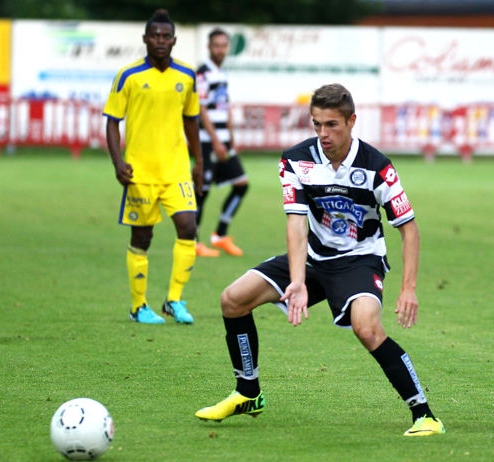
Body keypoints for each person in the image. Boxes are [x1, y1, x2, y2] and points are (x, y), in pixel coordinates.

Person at [195, 84, 445, 436]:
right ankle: (248, 392)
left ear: (351, 121)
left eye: (332, 125)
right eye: (317, 125)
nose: (323, 134)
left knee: (367, 328)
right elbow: (296, 224)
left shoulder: (377, 167)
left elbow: (409, 230)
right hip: (312, 258)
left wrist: (409, 288)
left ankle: (425, 414)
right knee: (233, 300)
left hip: (360, 261)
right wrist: (297, 281)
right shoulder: (296, 159)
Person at [103, 9, 203, 325]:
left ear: (173, 41)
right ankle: (138, 307)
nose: (160, 41)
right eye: (155, 36)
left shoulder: (187, 76)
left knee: (189, 227)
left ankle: (174, 300)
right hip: (141, 172)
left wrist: (199, 161)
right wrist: (118, 162)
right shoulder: (128, 76)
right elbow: (112, 122)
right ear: (145, 39)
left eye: (166, 36)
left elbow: (191, 120)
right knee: (142, 238)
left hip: (176, 170)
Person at [194, 28, 248, 258]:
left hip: (224, 141)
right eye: (216, 45)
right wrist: (216, 140)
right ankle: (193, 242)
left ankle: (220, 235)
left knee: (241, 184)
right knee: (200, 192)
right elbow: (201, 109)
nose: (221, 50)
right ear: (209, 47)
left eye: (224, 46)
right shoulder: (203, 73)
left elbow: (224, 107)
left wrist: (230, 138)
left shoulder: (221, 73)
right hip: (208, 142)